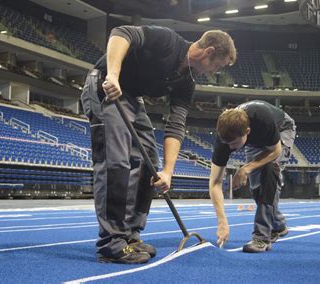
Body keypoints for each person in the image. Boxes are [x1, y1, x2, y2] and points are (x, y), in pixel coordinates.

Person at [81, 25, 236, 264]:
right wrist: (113, 74)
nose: (217, 71)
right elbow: (120, 33)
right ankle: (111, 242)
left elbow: (176, 125)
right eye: (219, 65)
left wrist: (168, 172)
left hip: (132, 98)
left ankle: (130, 236)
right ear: (209, 52)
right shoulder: (168, 41)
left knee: (150, 168)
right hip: (105, 85)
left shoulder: (187, 82)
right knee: (117, 164)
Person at [209, 100, 296, 253]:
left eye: (234, 144)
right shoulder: (224, 141)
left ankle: (261, 237)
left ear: (247, 132)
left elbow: (275, 151)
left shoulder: (262, 118)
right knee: (256, 189)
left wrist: (245, 169)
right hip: (255, 142)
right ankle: (278, 225)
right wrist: (222, 222)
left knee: (269, 172)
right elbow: (214, 183)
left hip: (281, 129)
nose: (231, 149)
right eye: (227, 144)